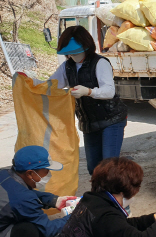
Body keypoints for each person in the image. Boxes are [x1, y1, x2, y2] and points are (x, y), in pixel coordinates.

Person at [41, 25, 128, 175]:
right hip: (89, 123)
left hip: (112, 120)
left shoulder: (100, 63)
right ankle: (101, 194)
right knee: (93, 168)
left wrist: (88, 91)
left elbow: (109, 91)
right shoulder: (66, 67)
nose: (73, 55)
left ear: (86, 45)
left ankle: (115, 195)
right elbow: (51, 85)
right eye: (70, 52)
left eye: (75, 51)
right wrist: (30, 83)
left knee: (108, 166)